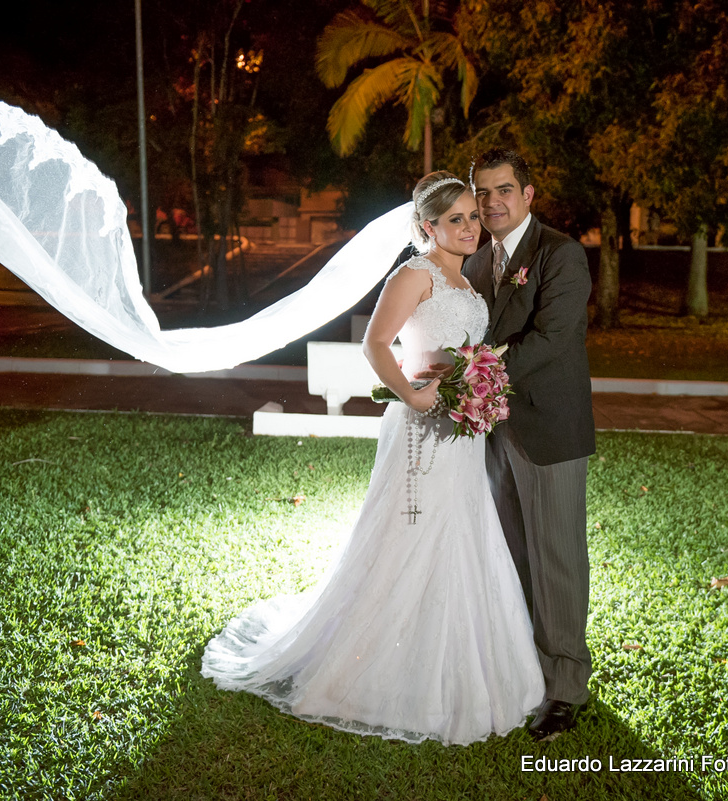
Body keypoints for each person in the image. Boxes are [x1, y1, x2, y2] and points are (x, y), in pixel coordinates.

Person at [200, 171, 544, 746]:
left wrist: (478, 392)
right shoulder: (415, 274)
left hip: (462, 432)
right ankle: (370, 671)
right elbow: (376, 343)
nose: (467, 226)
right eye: (453, 218)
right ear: (426, 226)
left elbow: (469, 353)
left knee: (460, 533)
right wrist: (412, 393)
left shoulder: (469, 282)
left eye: (471, 216)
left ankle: (466, 665)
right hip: (419, 428)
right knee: (408, 535)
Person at [464, 148, 597, 741]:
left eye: (503, 191)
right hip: (491, 430)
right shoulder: (473, 259)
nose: (492, 203)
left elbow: (551, 337)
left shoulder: (560, 254)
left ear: (528, 194)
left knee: (558, 559)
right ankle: (523, 672)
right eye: (483, 193)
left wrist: (476, 376)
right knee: (511, 555)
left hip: (549, 428)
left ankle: (566, 688)